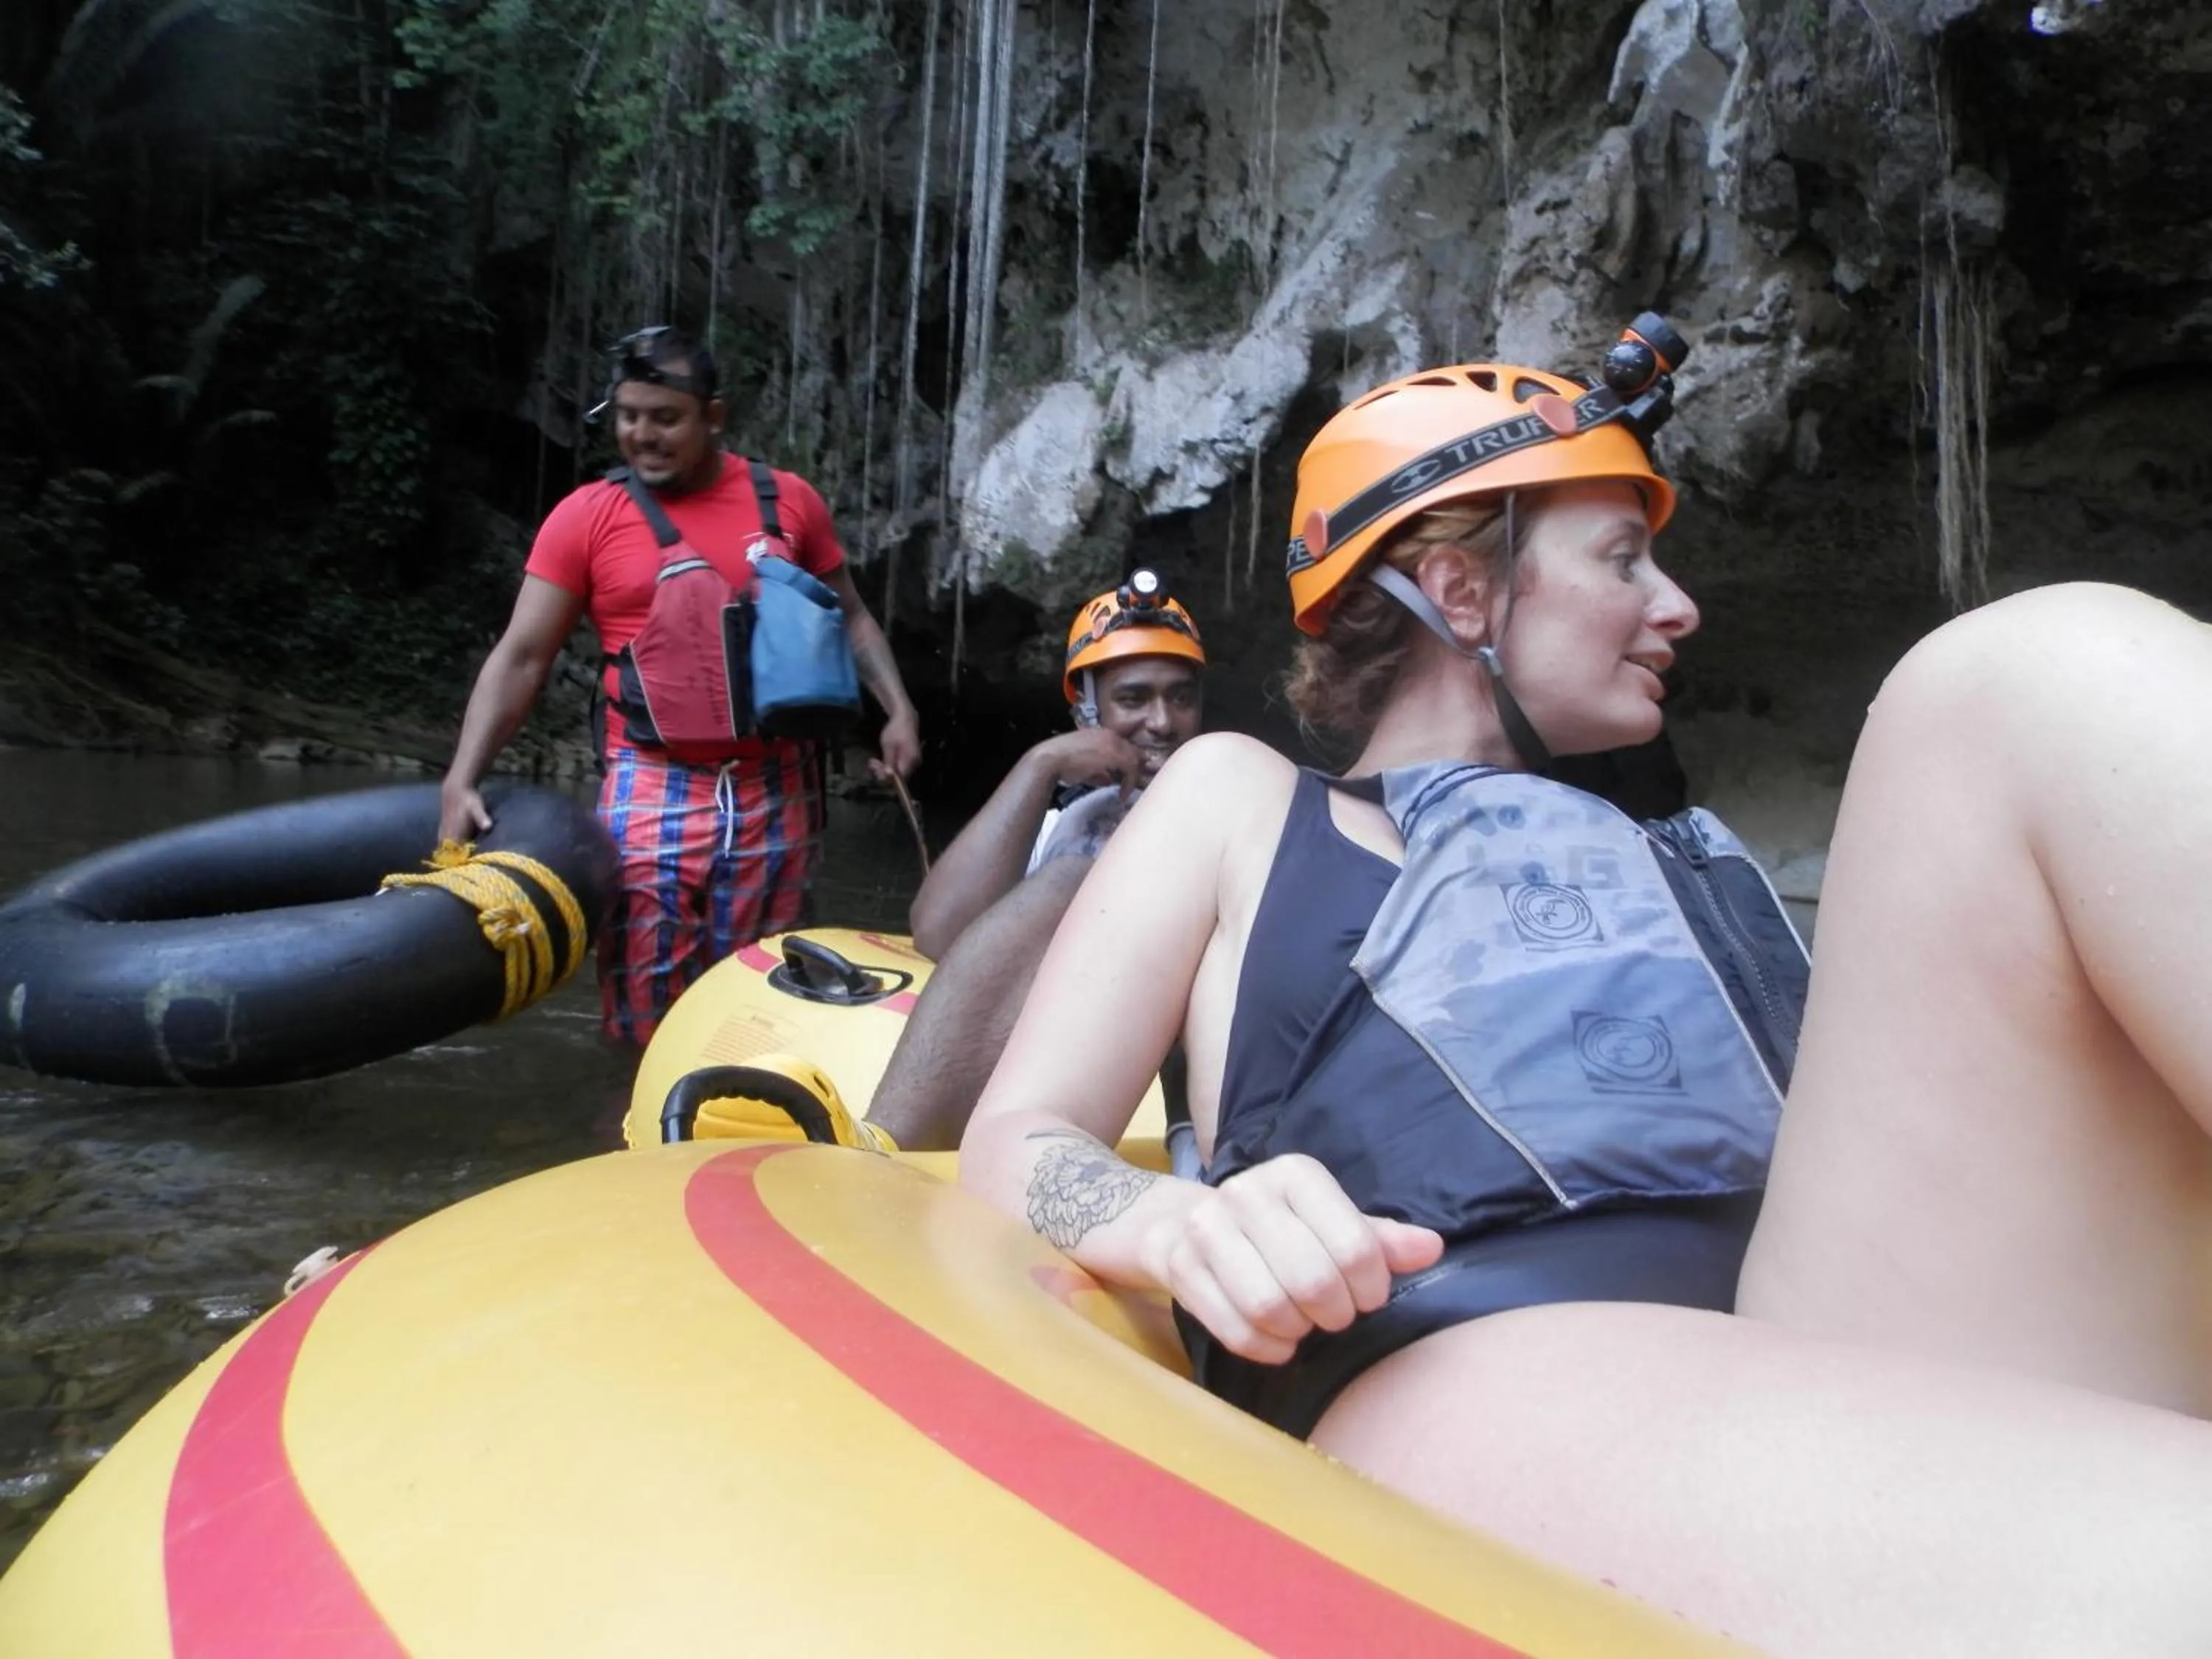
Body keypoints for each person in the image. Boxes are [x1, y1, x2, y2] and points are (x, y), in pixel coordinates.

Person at [960, 331, 2212, 1653]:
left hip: (1819, 1322)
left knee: (2030, 669)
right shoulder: (1240, 802)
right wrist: (1171, 1223)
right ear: (1460, 587)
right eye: (1624, 559)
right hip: (1493, 1348)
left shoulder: (1681, 855)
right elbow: (1015, 1136)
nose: (1677, 607)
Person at [439, 327, 921, 1046]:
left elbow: (850, 617)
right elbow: (522, 657)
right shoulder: (587, 518)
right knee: (642, 987)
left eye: (665, 418)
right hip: (653, 777)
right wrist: (462, 778)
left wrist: (899, 711)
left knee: (763, 991)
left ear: (713, 417)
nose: (643, 434)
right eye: (630, 416)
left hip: (777, 783)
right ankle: (634, 1123)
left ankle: (745, 1125)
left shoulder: (788, 504)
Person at [849, 574, 1205, 1152]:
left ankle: (894, 1149)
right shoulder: (1066, 823)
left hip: (1170, 1047)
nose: (1162, 722)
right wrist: (1039, 766)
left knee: (1073, 880)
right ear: (1086, 712)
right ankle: (890, 1150)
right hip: (1059, 1052)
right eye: (1134, 698)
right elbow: (938, 933)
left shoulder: (1229, 800)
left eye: (1181, 697)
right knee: (1066, 874)